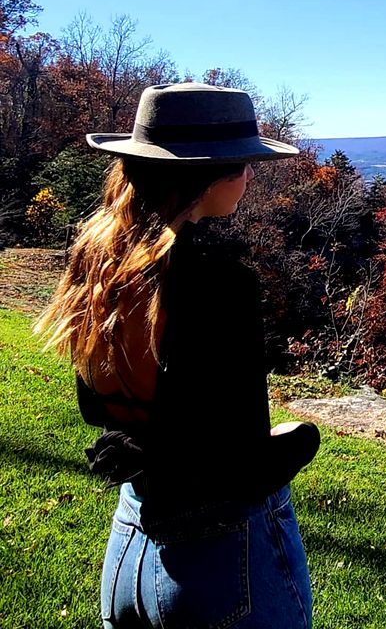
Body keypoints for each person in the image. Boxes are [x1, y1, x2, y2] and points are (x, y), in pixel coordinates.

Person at [35, 83, 321, 629]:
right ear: (205, 176)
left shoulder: (99, 267)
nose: (249, 176)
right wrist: (300, 440)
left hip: (129, 546)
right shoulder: (219, 285)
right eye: (240, 165)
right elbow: (240, 467)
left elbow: (102, 415)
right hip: (215, 564)